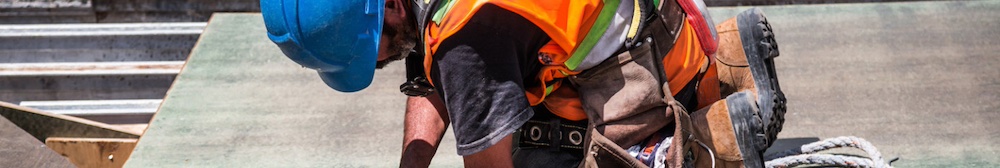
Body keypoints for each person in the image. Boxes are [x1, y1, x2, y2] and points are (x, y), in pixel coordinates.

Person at [262, 0, 786, 167]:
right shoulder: (438, 14)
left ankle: (690, 142)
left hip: (648, 76)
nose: (373, 64)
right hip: (665, 25)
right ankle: (728, 62)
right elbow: (428, 67)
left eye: (367, 48)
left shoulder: (463, 43)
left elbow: (489, 158)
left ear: (393, 9)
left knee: (530, 151)